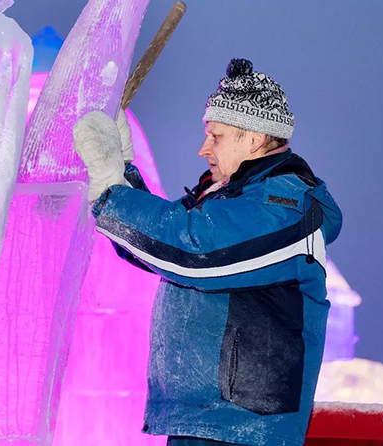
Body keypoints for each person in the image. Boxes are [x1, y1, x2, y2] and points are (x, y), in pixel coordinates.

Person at [72, 58, 342, 446]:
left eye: (215, 136)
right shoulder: (231, 198)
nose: (203, 148)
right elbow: (158, 250)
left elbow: (193, 251)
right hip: (209, 417)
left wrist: (111, 192)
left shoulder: (284, 205)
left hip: (243, 424)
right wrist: (123, 174)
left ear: (253, 139)